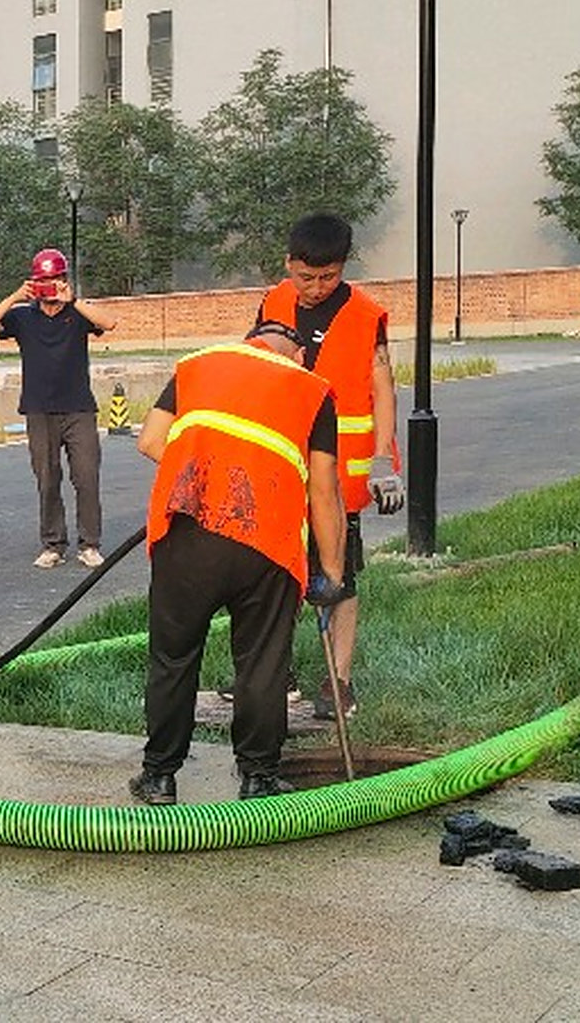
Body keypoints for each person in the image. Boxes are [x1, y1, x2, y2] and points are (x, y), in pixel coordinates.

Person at [128, 321, 348, 804]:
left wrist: (212, 476)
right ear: (296, 355)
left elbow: (149, 442)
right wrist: (330, 572)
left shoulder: (196, 366)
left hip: (187, 535)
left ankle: (160, 776)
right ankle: (258, 777)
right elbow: (324, 488)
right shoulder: (311, 389)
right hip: (267, 543)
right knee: (262, 665)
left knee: (173, 657)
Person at [254, 213, 401, 720]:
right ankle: (280, 674)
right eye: (306, 277)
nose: (316, 288)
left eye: (328, 277)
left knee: (340, 580)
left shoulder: (365, 314)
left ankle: (338, 681)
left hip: (339, 475)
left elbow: (383, 386)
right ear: (288, 265)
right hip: (282, 462)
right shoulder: (272, 303)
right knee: (276, 576)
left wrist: (384, 459)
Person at [0, 247, 118, 568]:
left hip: (78, 408)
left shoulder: (77, 314)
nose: (48, 288)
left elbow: (110, 323)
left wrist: (73, 300)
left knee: (86, 477)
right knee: (47, 478)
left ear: (64, 280)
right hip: (39, 410)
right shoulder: (24, 317)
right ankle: (53, 544)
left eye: (54, 281)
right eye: (43, 282)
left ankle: (89, 544)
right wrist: (16, 296)